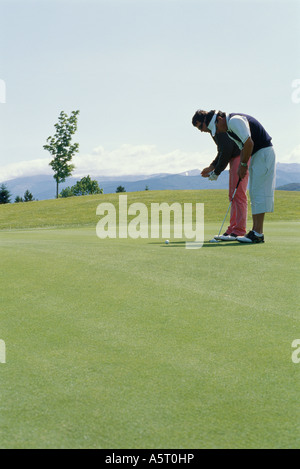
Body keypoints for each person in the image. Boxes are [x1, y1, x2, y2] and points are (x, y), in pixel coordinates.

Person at [202, 110, 276, 243]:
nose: (217, 131)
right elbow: (243, 147)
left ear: (219, 119)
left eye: (216, 127)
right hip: (257, 156)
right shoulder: (229, 129)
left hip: (263, 153)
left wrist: (242, 165)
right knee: (254, 193)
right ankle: (255, 232)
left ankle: (257, 233)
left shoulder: (235, 121)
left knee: (258, 193)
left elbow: (249, 143)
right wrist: (242, 166)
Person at [192, 110, 249, 240]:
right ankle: (232, 229)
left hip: (241, 155)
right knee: (232, 195)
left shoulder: (217, 126)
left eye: (201, 126)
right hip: (234, 157)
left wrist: (216, 172)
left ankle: (239, 230)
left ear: (206, 120)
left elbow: (227, 150)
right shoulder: (213, 131)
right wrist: (212, 167)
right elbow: (222, 150)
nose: (201, 130)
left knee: (238, 193)